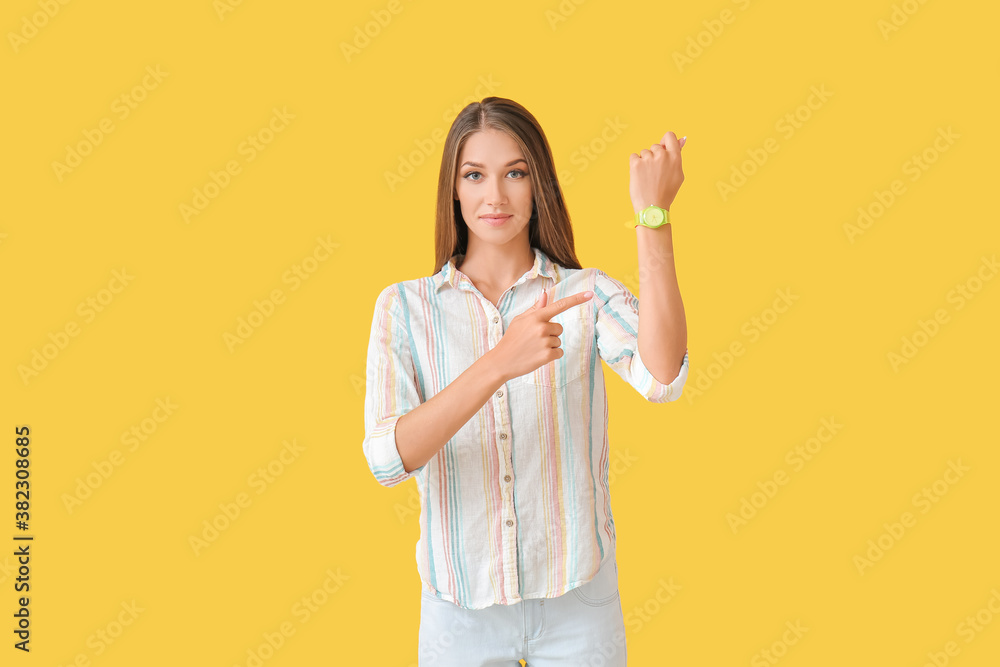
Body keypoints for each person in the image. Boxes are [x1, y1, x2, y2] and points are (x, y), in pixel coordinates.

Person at [362, 96, 689, 666]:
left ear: (538, 185)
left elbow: (664, 377)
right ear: (454, 189)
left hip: (579, 599)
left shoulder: (583, 295)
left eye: (515, 173)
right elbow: (388, 459)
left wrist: (652, 215)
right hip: (459, 609)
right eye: (475, 175)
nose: (495, 196)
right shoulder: (404, 308)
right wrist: (498, 362)